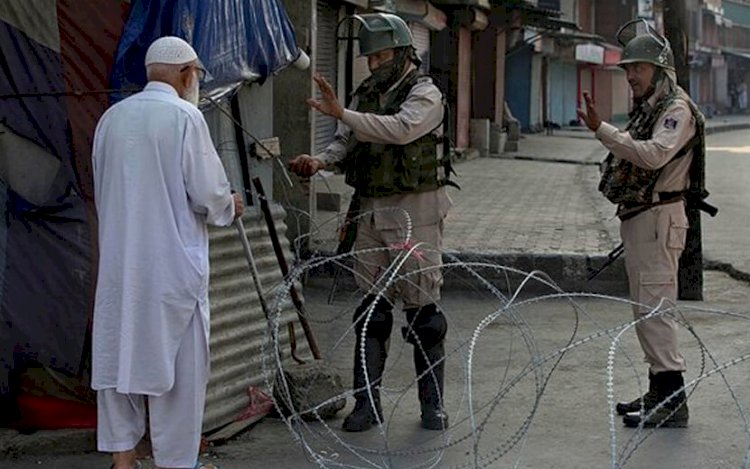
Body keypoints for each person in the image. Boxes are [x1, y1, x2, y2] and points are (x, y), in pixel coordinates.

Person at [288, 13, 453, 432]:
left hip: (415, 210)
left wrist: (342, 112)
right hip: (371, 210)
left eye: (381, 55)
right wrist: (319, 161)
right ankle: (367, 404)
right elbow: (346, 141)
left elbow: (399, 130)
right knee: (371, 311)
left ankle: (432, 405)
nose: (375, 63)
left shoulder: (425, 93)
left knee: (424, 315)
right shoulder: (366, 93)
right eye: (370, 57)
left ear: (401, 52)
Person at [91, 36, 243, 469]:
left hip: (121, 267)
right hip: (173, 270)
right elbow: (210, 196)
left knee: (120, 363)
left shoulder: (111, 119)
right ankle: (176, 463)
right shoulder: (185, 117)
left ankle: (123, 459)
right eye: (195, 73)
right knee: (180, 377)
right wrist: (231, 204)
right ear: (184, 73)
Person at [577, 21, 705, 428]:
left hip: (659, 219)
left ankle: (672, 401)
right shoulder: (652, 108)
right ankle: (659, 390)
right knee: (645, 312)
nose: (631, 75)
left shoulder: (676, 110)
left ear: (660, 70)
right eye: (627, 68)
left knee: (656, 313)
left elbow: (652, 156)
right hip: (641, 219)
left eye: (639, 68)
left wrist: (603, 131)